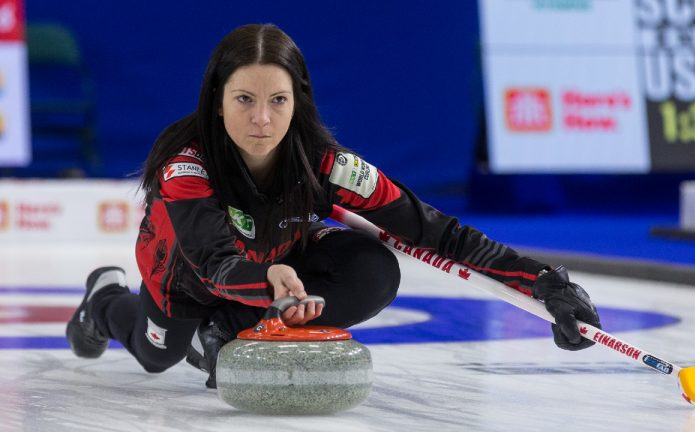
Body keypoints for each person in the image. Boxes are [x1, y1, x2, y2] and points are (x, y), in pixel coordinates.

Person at [66, 24, 602, 389]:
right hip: (184, 278)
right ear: (217, 99)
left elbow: (436, 232)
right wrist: (267, 281)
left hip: (272, 272)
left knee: (372, 269)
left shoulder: (329, 165)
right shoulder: (186, 169)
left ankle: (228, 331)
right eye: (244, 100)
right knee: (155, 355)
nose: (261, 120)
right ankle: (104, 301)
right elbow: (213, 262)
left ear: (297, 102)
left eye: (277, 101)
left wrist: (542, 281)